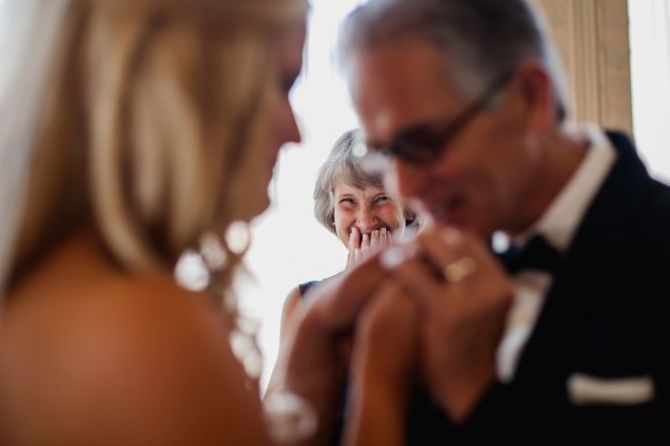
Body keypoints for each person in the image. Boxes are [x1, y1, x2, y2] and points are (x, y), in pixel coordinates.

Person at [0, 1, 392, 444]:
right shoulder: (144, 330)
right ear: (190, 91)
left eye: (380, 199)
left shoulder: (58, 289)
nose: (295, 131)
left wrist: (309, 356)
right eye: (281, 84)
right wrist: (381, 371)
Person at [328, 0, 669, 441]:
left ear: (531, 98)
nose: (405, 190)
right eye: (387, 153)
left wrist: (477, 397)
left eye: (425, 142)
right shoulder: (415, 283)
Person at [278, 129, 419, 338]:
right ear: (332, 212)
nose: (364, 219)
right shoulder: (302, 302)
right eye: (348, 201)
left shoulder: (443, 292)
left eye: (381, 198)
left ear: (407, 207)